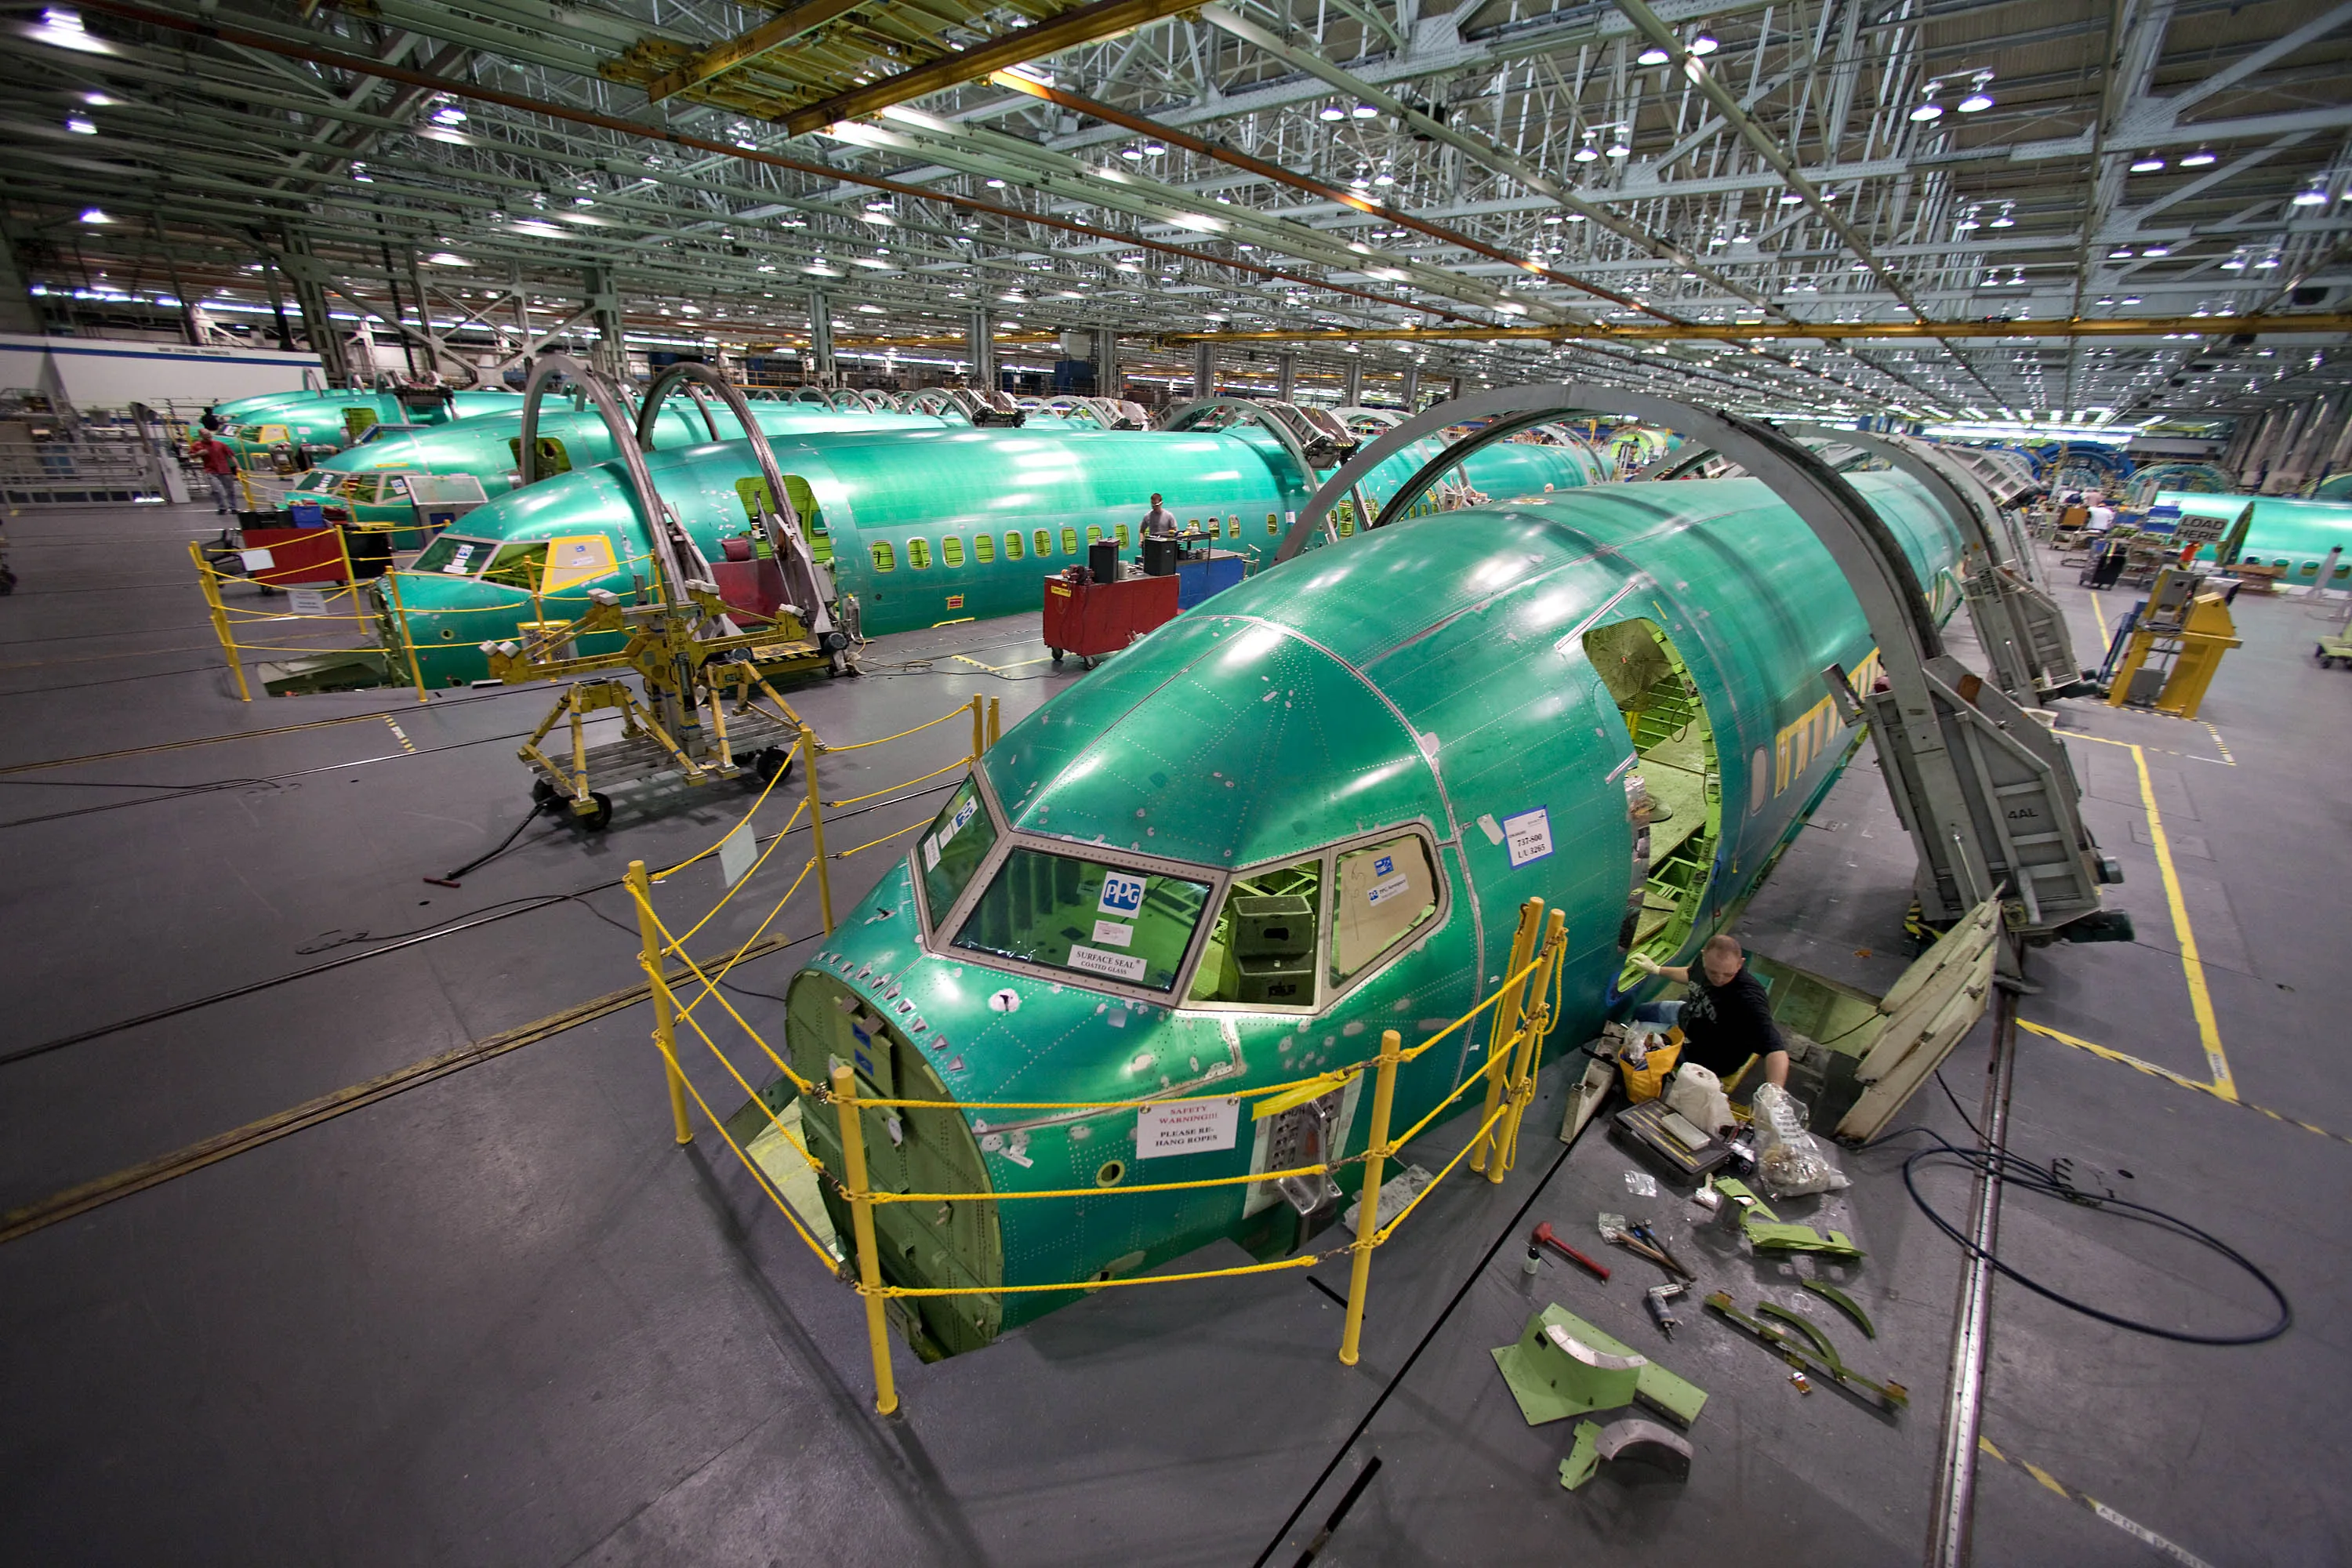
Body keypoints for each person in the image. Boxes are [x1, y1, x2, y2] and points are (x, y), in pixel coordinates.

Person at [1629, 933, 1788, 1088]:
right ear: (1704, 956)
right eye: (1712, 972)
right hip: (1690, 1015)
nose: (1719, 979)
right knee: (1640, 1012)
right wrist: (1657, 969)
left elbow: (1776, 1050)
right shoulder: (1702, 964)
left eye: (1728, 974)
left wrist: (1774, 1093)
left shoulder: (1749, 1000)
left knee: (1633, 1034)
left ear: (1740, 964)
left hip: (1706, 1053)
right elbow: (1691, 974)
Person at [191, 431, 240, 515]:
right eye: (205, 435)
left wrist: (238, 467)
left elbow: (231, 455)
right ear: (201, 436)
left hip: (225, 470)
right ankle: (222, 507)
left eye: (209, 434)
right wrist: (198, 454)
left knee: (230, 490)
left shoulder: (220, 444)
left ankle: (233, 507)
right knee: (216, 490)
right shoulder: (197, 445)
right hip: (211, 470)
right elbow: (191, 455)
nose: (208, 436)